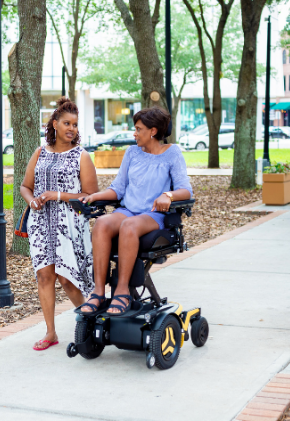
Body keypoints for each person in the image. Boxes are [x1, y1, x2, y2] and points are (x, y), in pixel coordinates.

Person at [79, 106, 193, 315]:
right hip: (129, 210)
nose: (134, 133)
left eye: (139, 129)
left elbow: (185, 190)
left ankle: (122, 291)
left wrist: (168, 195)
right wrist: (96, 196)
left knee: (128, 226)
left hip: (153, 215)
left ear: (153, 131)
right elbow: (118, 188)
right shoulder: (132, 153)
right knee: (103, 223)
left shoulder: (172, 153)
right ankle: (98, 292)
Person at [20, 97, 99, 351]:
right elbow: (25, 186)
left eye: (75, 125)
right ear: (54, 124)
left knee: (67, 279)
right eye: (67, 123)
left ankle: (92, 323)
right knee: (44, 276)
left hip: (70, 222)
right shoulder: (40, 152)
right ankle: (50, 333)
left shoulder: (81, 156)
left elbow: (90, 195)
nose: (72, 129)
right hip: (41, 222)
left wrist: (58, 195)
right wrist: (32, 201)